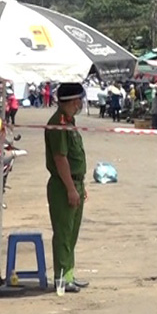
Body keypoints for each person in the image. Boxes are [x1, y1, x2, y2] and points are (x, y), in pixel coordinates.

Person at [45, 83, 89, 295]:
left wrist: (80, 186)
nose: (80, 104)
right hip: (63, 185)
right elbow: (60, 158)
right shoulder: (58, 123)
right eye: (79, 100)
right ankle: (61, 278)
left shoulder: (69, 122)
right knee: (63, 233)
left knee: (72, 234)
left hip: (75, 182)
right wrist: (71, 188)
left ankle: (69, 274)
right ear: (72, 101)